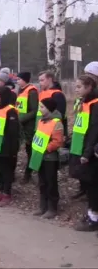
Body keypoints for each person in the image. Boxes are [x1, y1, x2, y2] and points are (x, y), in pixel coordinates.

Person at [68, 75, 98, 232]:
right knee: (88, 184)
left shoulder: (95, 104)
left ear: (89, 87)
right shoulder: (83, 102)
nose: (76, 89)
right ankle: (91, 214)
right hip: (80, 148)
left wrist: (87, 153)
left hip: (90, 152)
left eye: (79, 86)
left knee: (93, 185)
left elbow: (94, 130)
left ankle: (94, 219)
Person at [29, 98, 64, 219]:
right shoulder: (41, 122)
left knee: (51, 182)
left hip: (50, 158)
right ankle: (42, 206)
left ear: (49, 109)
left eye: (42, 107)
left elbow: (58, 141)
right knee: (42, 182)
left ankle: (52, 207)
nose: (40, 109)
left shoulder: (57, 123)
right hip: (39, 157)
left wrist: (46, 148)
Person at [0, 86, 20, 207]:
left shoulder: (10, 110)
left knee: (7, 171)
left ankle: (7, 193)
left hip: (6, 146)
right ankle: (0, 190)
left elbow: (13, 132)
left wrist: (12, 149)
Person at [16, 72, 39, 184]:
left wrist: (21, 119)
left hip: (29, 125)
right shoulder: (21, 91)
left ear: (25, 80)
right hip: (21, 125)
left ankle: (28, 174)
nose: (17, 81)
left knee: (30, 150)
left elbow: (34, 110)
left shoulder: (32, 92)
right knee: (26, 149)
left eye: (19, 79)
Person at [37, 71, 67, 136]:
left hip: (52, 131)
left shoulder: (57, 94)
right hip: (41, 129)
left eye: (42, 80)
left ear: (50, 79)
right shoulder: (42, 93)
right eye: (39, 81)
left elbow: (60, 115)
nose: (40, 83)